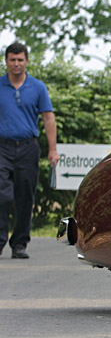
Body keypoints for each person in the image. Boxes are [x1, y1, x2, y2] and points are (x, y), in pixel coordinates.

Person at [0, 42, 58, 258]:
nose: (16, 64)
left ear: (27, 61)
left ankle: (19, 244)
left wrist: (53, 150)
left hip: (27, 147)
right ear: (6, 61)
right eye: (12, 60)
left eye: (20, 60)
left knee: (25, 197)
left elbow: (48, 118)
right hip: (2, 147)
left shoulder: (37, 87)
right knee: (2, 195)